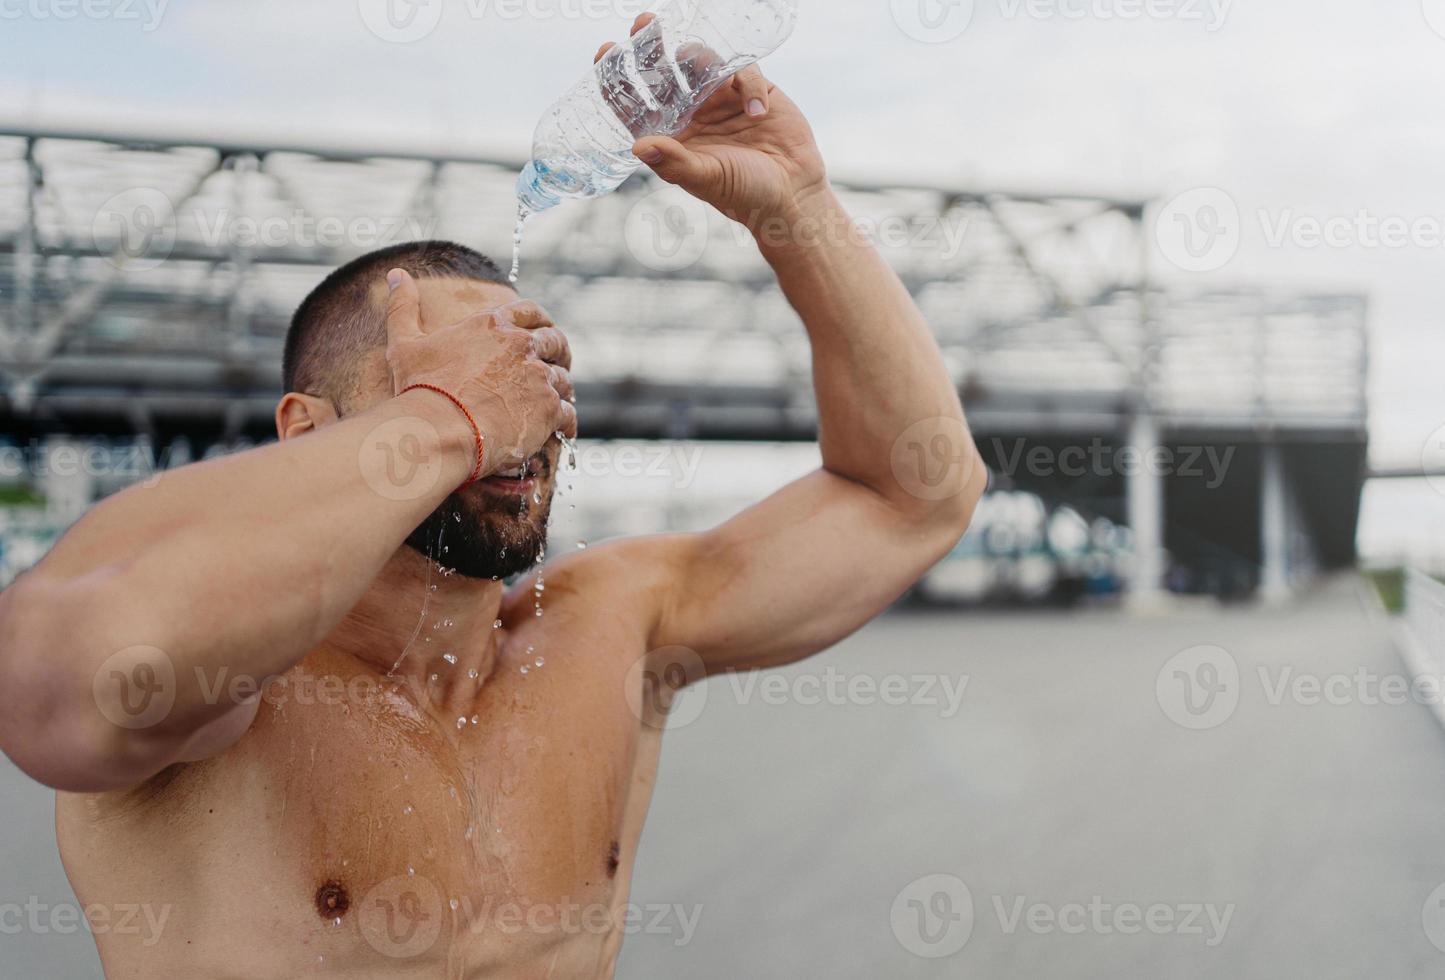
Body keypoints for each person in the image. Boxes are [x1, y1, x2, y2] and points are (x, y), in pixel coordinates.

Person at [0, 14, 986, 978]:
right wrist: (446, 421)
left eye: (535, 369)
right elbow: (52, 680)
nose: (518, 412)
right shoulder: (239, 685)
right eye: (451, 373)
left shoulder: (614, 625)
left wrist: (798, 207)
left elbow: (914, 495)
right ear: (308, 429)